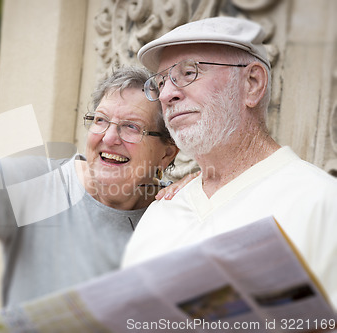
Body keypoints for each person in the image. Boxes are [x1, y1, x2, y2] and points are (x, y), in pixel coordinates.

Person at [0, 66, 188, 307]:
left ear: (167, 152)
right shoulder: (44, 185)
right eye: (100, 120)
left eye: (131, 127)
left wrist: (198, 186)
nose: (109, 137)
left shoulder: (175, 213)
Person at [121, 16, 337, 308]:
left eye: (188, 72)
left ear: (252, 83)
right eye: (160, 82)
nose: (168, 94)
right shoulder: (162, 210)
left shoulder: (321, 202)